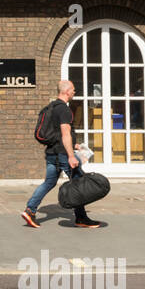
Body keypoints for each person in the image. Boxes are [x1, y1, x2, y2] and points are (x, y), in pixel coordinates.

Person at [21, 80, 101, 230]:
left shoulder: (50, 107)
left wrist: (75, 145)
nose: (74, 93)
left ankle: (30, 210)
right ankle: (81, 218)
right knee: (78, 184)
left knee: (49, 182)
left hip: (52, 153)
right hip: (63, 155)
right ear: (66, 91)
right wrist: (71, 155)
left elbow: (57, 134)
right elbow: (65, 134)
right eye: (73, 90)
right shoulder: (64, 109)